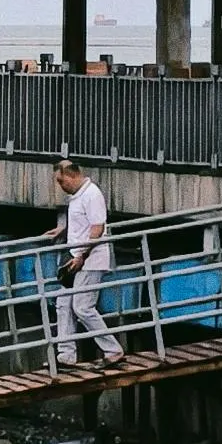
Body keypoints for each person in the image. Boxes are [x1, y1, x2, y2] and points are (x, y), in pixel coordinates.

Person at [53, 155, 124, 370]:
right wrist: (62, 230)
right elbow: (81, 222)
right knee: (63, 303)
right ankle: (66, 355)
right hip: (76, 257)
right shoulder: (77, 196)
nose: (60, 186)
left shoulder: (92, 194)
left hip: (90, 260)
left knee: (83, 307)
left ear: (71, 176)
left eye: (61, 181)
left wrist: (81, 256)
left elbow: (97, 229)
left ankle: (113, 350)